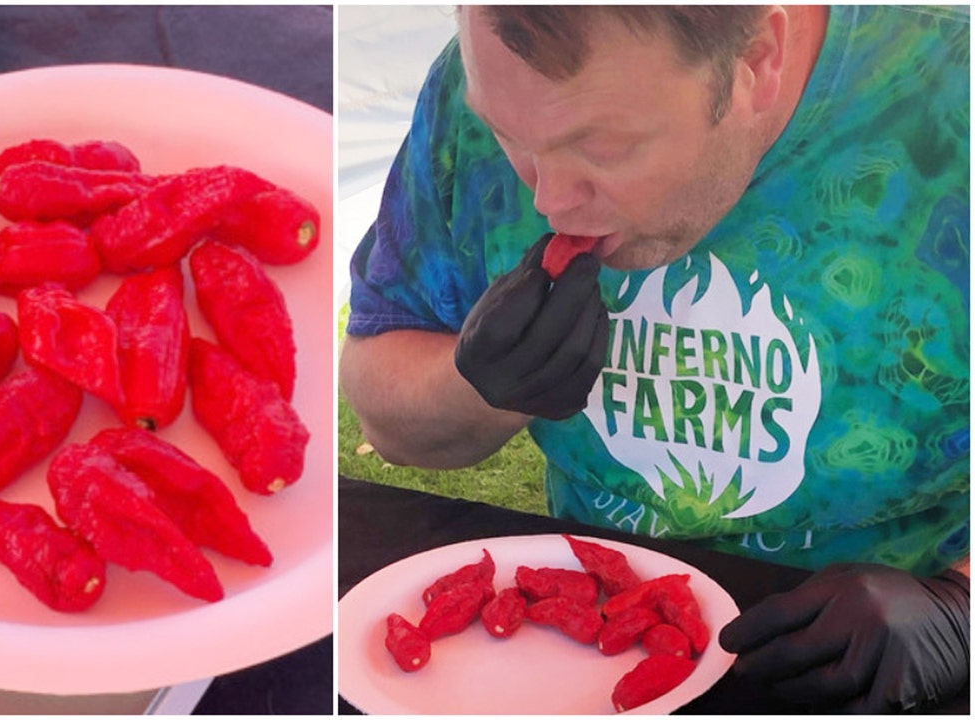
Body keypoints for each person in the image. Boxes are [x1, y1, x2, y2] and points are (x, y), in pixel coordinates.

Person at [340, 5, 969, 712]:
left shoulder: (949, 93)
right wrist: (478, 386)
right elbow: (381, 405)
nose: (550, 200)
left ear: (758, 57)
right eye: (506, 136)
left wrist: (962, 608)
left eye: (602, 146)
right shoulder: (482, 76)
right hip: (597, 644)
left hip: (872, 666)